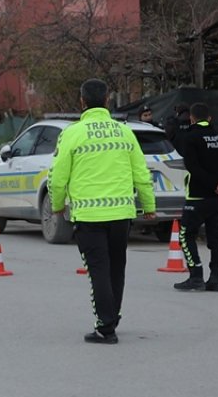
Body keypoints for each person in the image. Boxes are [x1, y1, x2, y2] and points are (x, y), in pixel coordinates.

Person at [48, 78, 156, 345]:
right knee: (116, 268)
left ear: (82, 102)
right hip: (121, 215)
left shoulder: (72, 133)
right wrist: (149, 206)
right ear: (107, 100)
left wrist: (57, 204)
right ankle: (113, 316)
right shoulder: (124, 132)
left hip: (89, 217)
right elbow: (141, 174)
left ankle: (105, 328)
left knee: (98, 271)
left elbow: (57, 177)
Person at [173, 102, 218, 293]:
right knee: (216, 239)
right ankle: (217, 279)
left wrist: (211, 184)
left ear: (191, 118)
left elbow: (193, 167)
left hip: (196, 198)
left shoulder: (190, 138)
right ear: (209, 119)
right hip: (217, 199)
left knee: (185, 235)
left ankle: (196, 276)